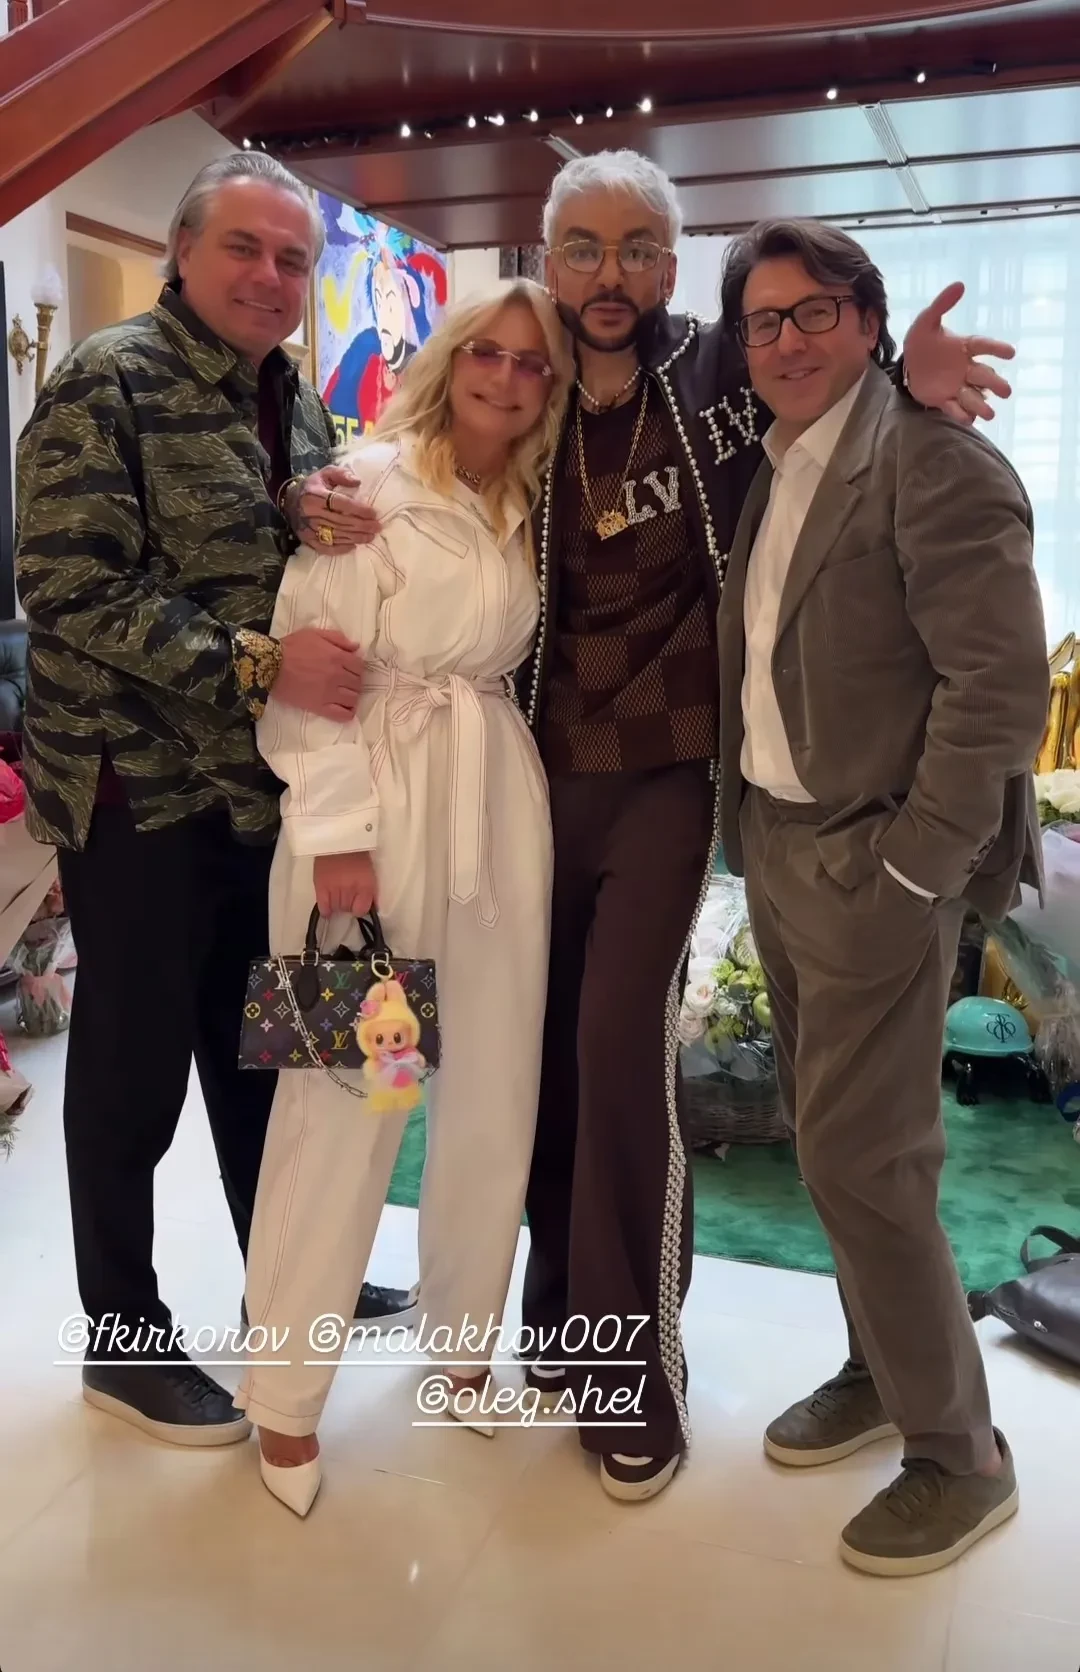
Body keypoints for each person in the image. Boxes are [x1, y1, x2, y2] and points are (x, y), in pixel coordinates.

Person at [315, 149, 1017, 1504]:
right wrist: (307, 498)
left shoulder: (716, 374)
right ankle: (348, 1343)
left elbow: (834, 391)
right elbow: (365, 506)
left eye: (641, 246)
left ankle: (620, 1366)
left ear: (673, 263)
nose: (611, 273)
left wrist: (909, 382)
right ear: (544, 258)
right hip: (459, 799)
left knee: (608, 1055)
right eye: (583, 246)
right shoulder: (508, 392)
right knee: (412, 1070)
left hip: (660, 783)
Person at [14, 151, 408, 1451]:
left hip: (271, 788)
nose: (271, 276)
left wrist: (309, 514)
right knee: (131, 1073)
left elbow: (279, 554)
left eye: (293, 258)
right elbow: (68, 588)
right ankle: (123, 1341)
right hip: (138, 786)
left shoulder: (292, 397)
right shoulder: (106, 380)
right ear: (182, 252)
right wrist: (258, 664)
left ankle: (291, 1279)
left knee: (280, 1053)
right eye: (245, 247)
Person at [715, 218, 1048, 1576]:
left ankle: (960, 1454)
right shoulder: (780, 457)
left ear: (867, 319)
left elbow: (999, 692)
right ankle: (877, 1367)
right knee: (825, 1139)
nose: (787, 340)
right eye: (764, 320)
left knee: (868, 1159)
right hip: (782, 845)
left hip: (877, 858)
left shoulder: (933, 459)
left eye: (815, 312)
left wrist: (914, 867)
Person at [234, 278, 574, 1516]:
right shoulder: (365, 489)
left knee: (494, 1091)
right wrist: (335, 838)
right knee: (344, 1104)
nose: (506, 376)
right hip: (372, 822)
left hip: (498, 817)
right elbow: (305, 677)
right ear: (448, 357)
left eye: (531, 363)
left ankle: (464, 1343)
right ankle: (282, 1395)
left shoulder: (531, 501)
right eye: (486, 350)